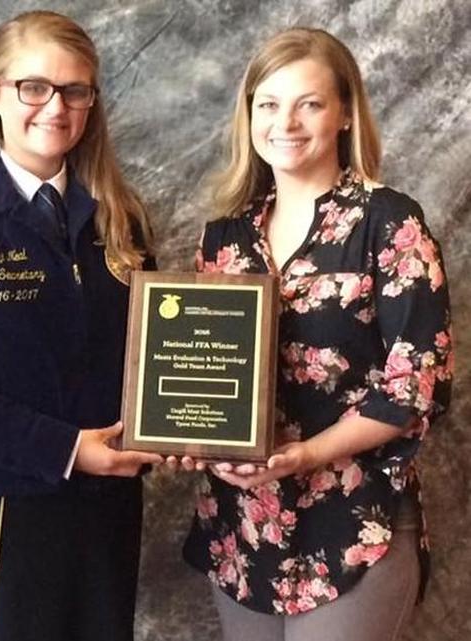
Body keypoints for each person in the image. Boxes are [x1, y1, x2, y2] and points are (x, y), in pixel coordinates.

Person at [180, 27, 453, 641]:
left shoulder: (389, 223)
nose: (287, 122)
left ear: (346, 115)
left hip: (353, 524)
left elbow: (415, 388)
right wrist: (191, 437)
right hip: (244, 528)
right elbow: (205, 371)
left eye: (310, 103)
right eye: (269, 104)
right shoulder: (224, 237)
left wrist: (304, 454)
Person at [0, 11, 164, 641]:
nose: (56, 107)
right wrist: (68, 449)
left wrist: (180, 424)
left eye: (75, 90)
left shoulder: (121, 221)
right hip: (3, 505)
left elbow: (155, 359)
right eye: (34, 87)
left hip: (106, 510)